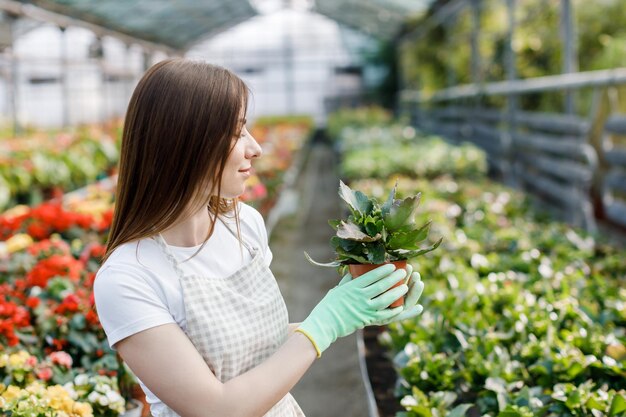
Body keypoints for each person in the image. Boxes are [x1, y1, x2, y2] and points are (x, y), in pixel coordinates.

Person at [94, 58, 426, 417]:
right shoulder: (129, 277)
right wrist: (326, 323)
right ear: (185, 141)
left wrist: (351, 314)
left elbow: (249, 348)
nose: (255, 148)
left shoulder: (244, 224)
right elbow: (216, 409)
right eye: (237, 132)